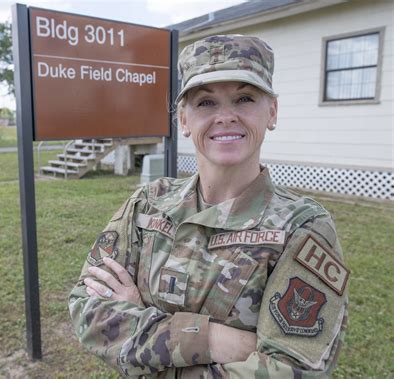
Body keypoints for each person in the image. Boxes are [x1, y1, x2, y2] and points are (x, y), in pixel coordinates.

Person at [68, 34, 349, 378]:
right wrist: (214, 339)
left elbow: (294, 369)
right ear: (183, 120)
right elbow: (89, 308)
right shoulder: (147, 205)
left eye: (244, 98)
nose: (226, 116)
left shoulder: (302, 228)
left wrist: (143, 329)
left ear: (271, 112)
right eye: (205, 103)